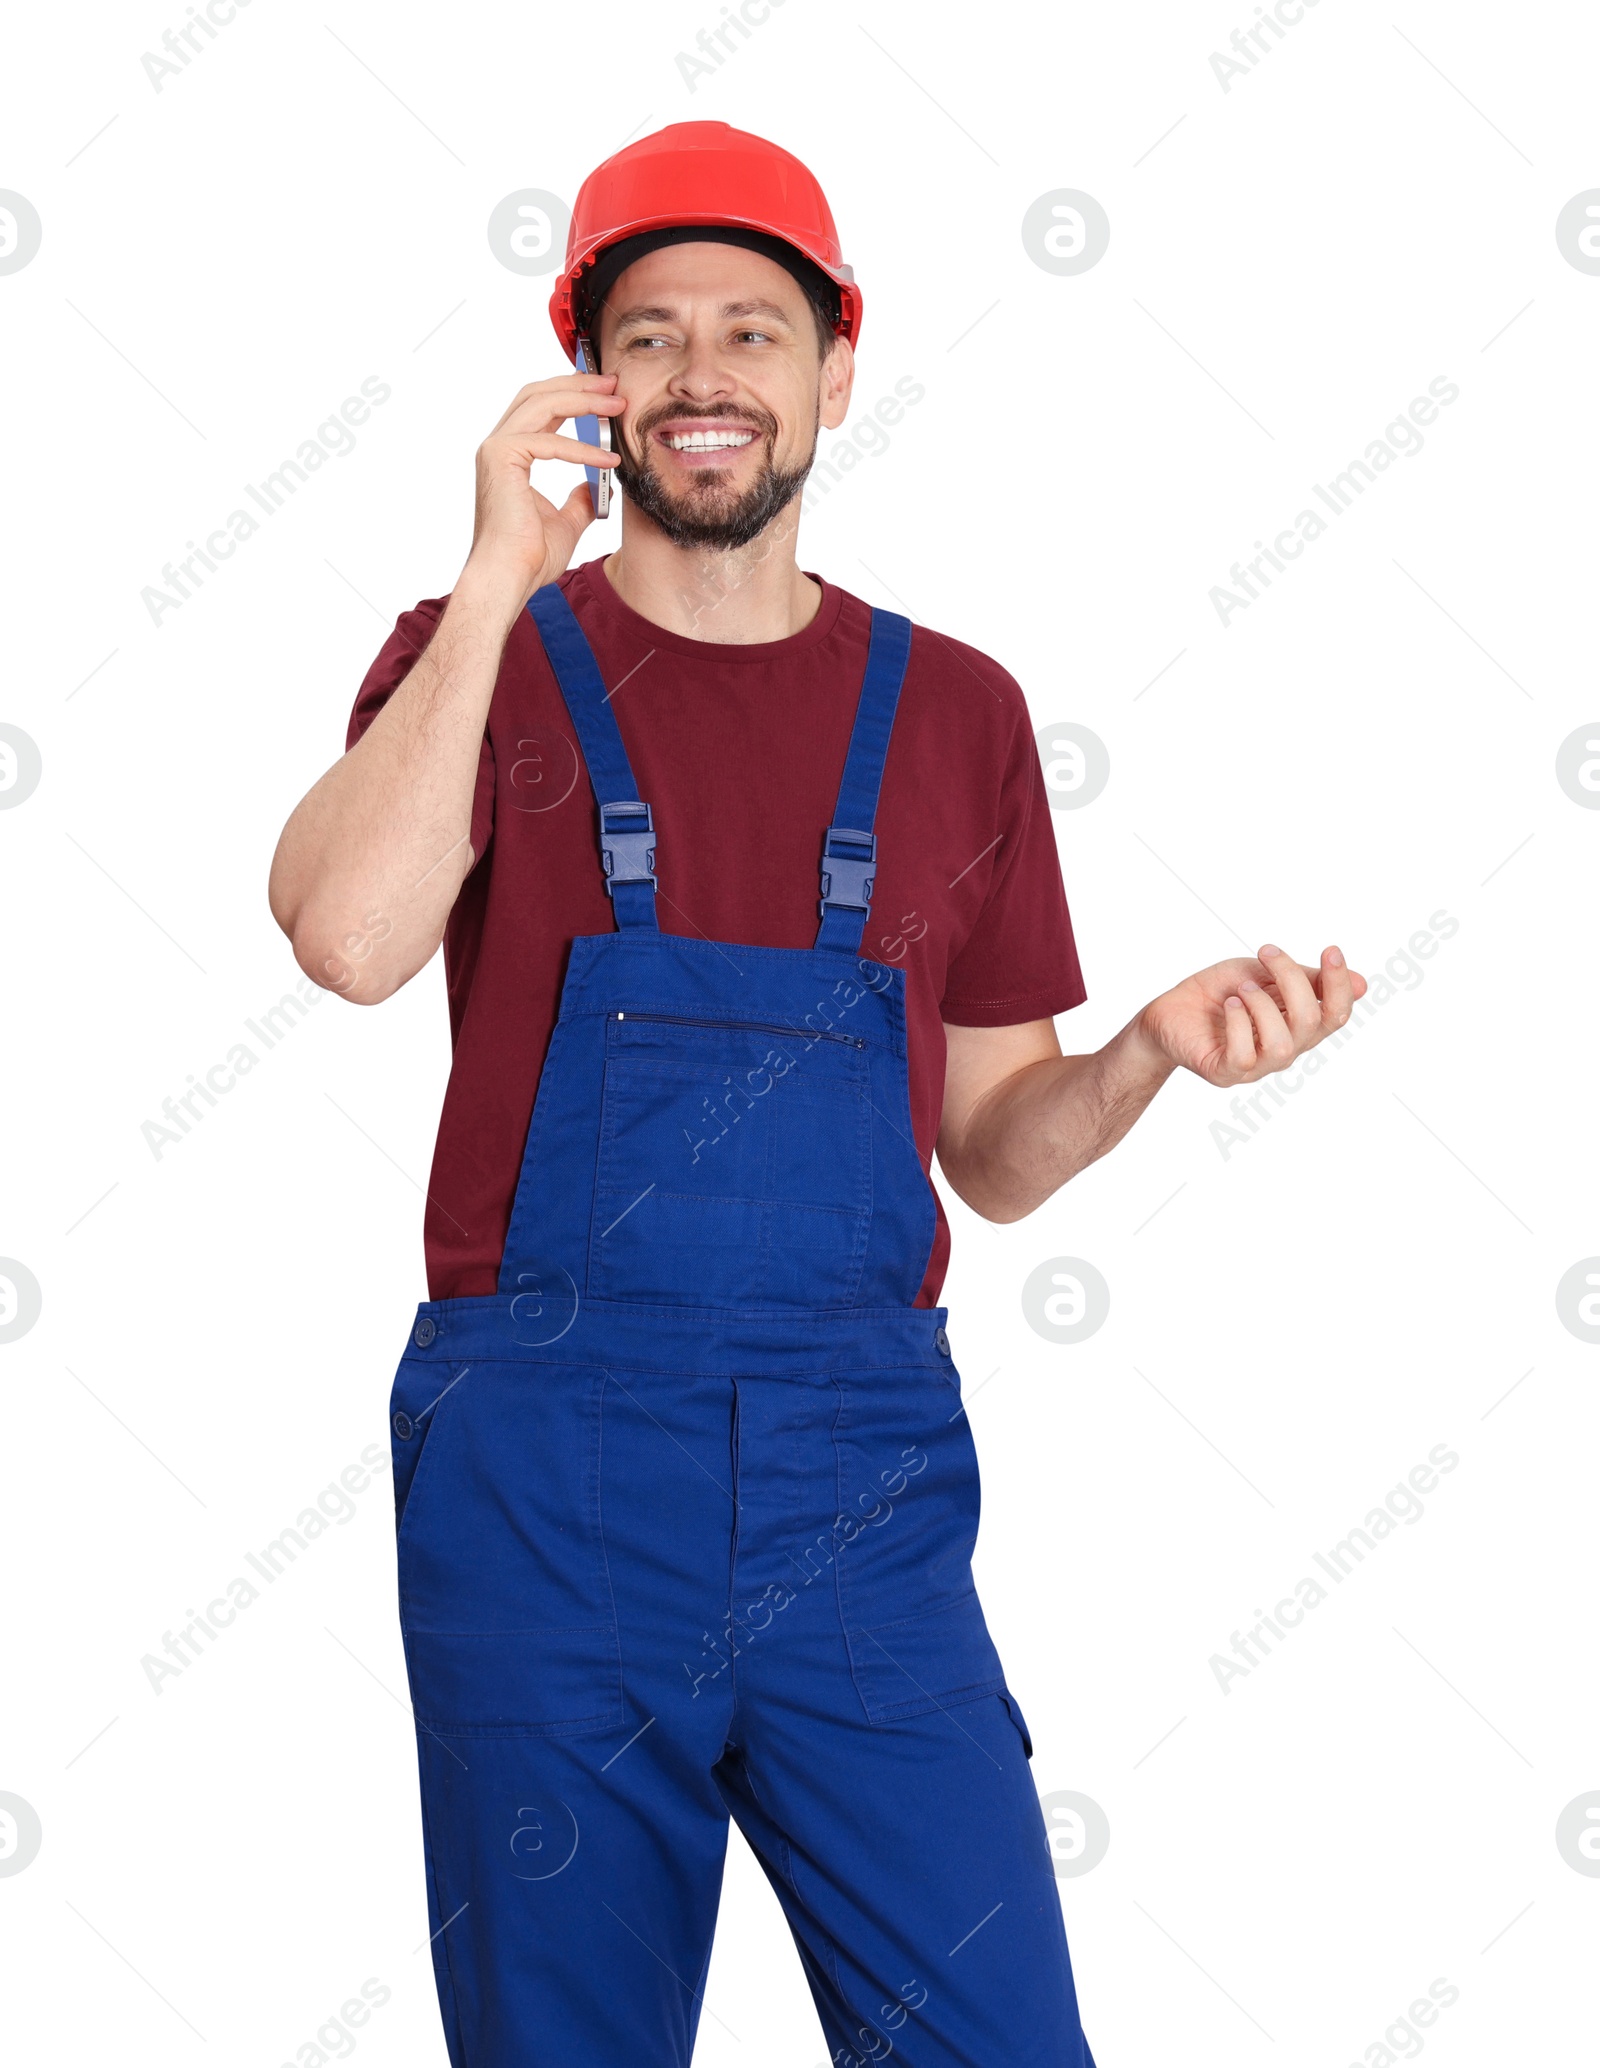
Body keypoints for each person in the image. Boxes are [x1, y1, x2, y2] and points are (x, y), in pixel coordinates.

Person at [268, 119, 1365, 2068]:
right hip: (547, 1484)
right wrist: (499, 563)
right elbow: (349, 937)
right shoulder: (472, 662)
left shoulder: (957, 714)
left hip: (856, 1499)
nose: (704, 375)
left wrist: (1137, 1057)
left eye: (752, 333)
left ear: (832, 374)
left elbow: (991, 1151)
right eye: (654, 334)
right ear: (593, 383)